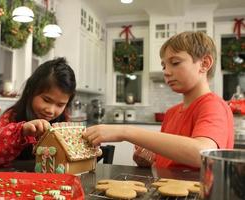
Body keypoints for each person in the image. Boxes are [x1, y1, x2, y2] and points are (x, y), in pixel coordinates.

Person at [83, 31, 234, 169]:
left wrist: (125, 131)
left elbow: (203, 154)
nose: (166, 72)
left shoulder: (213, 106)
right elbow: (172, 165)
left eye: (175, 63)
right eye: (164, 66)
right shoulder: (171, 113)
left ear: (205, 63)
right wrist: (152, 161)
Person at [0, 57, 76, 167]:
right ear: (30, 91)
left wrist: (94, 142)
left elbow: (73, 159)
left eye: (60, 105)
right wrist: (20, 132)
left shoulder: (63, 122)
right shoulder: (12, 116)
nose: (51, 111)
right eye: (46, 100)